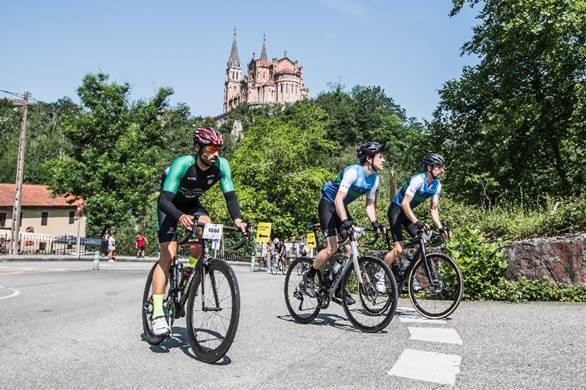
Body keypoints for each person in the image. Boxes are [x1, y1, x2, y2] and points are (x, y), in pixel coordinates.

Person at [151, 127, 248, 336]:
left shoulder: (221, 166)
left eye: (219, 149)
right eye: (211, 149)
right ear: (198, 147)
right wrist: (180, 217)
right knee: (169, 255)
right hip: (169, 207)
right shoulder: (183, 163)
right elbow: (164, 200)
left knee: (207, 227)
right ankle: (157, 313)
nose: (216, 154)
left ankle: (190, 273)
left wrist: (238, 220)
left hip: (192, 205)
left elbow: (230, 196)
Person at [302, 141, 385, 305]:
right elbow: (338, 198)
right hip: (328, 205)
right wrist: (346, 221)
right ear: (369, 158)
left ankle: (338, 287)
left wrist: (375, 222)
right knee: (332, 248)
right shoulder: (353, 172)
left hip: (341, 208)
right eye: (380, 157)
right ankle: (309, 275)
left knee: (351, 250)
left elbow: (369, 205)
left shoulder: (375, 179)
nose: (383, 160)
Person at [382, 153, 449, 291]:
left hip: (407, 214)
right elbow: (405, 204)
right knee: (398, 249)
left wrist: (441, 228)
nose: (442, 170)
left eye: (442, 167)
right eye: (439, 167)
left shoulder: (437, 185)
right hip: (396, 211)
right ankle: (379, 276)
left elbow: (434, 209)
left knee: (422, 241)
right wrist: (417, 221)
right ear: (429, 167)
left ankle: (407, 274)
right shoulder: (418, 180)